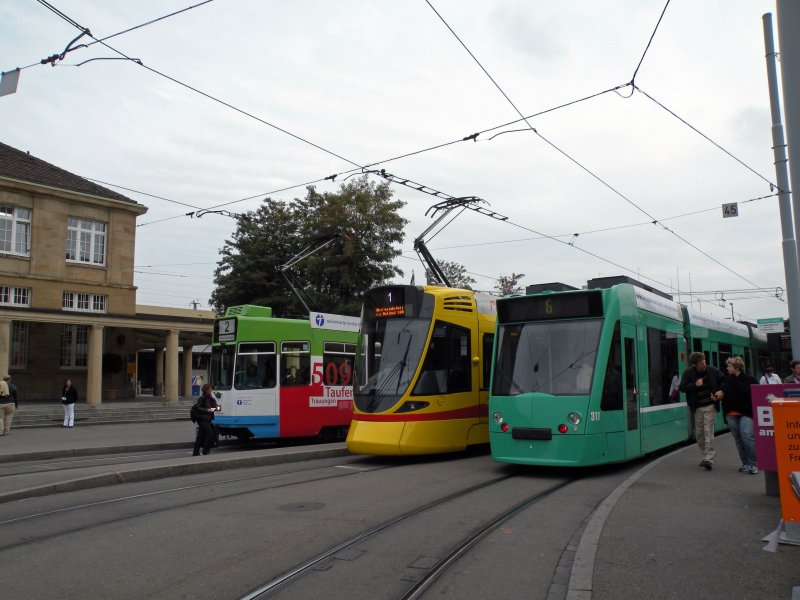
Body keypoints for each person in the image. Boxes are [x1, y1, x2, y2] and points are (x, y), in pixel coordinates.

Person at [679, 352, 724, 470]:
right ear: (695, 365)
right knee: (699, 435)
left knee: (708, 430)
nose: (704, 365)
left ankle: (709, 458)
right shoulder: (688, 373)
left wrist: (720, 392)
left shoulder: (713, 370)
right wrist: (694, 385)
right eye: (700, 363)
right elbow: (682, 388)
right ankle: (706, 456)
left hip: (710, 406)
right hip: (697, 407)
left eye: (704, 362)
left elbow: (723, 381)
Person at [714, 356, 758, 474]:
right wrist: (718, 395)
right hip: (731, 413)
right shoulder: (727, 380)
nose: (727, 368)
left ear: (736, 367)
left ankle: (753, 464)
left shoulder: (750, 380)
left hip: (747, 412)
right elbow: (722, 390)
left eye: (729, 366)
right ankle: (745, 464)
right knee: (738, 439)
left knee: (747, 436)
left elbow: (755, 394)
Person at [193, 383, 219, 456]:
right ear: (206, 390)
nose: (211, 390)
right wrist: (207, 410)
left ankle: (196, 452)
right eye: (210, 389)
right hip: (202, 420)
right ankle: (205, 450)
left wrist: (214, 408)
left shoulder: (211, 398)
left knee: (200, 436)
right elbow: (198, 407)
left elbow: (214, 408)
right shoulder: (202, 398)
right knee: (210, 433)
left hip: (208, 419)